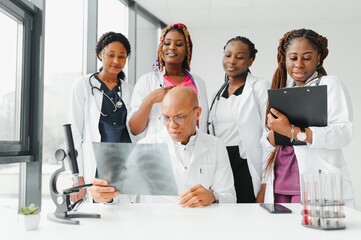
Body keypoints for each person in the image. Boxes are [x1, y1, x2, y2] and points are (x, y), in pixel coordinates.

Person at [90, 86, 236, 206]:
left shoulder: (216, 146)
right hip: (157, 228)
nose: (172, 125)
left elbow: (230, 197)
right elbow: (125, 198)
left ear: (197, 113)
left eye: (179, 117)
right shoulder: (146, 146)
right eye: (166, 117)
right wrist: (107, 196)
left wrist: (213, 196)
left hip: (200, 227)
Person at [259, 28, 355, 207]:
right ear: (284, 58)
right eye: (293, 58)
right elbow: (266, 141)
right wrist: (272, 134)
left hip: (315, 178)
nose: (299, 64)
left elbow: (343, 132)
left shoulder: (329, 83)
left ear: (318, 58)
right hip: (281, 176)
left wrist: (291, 131)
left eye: (307, 57)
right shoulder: (281, 88)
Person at [69, 31, 134, 202]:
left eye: (122, 56)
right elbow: (75, 132)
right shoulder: (83, 85)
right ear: (100, 54)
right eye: (111, 55)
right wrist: (78, 176)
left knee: (125, 218)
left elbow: (133, 130)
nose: (116, 61)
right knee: (97, 218)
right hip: (95, 164)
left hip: (122, 164)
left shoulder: (129, 90)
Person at [208, 36, 270, 203]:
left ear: (250, 61)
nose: (232, 61)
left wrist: (265, 184)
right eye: (228, 55)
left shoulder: (260, 88)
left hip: (246, 163)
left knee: (247, 217)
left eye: (239, 57)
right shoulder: (216, 95)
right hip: (221, 162)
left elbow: (270, 135)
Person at [128, 23, 208, 141]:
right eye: (167, 43)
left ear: (187, 50)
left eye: (179, 44)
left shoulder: (198, 83)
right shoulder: (146, 81)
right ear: (161, 47)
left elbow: (202, 123)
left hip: (193, 149)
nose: (172, 47)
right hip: (160, 150)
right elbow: (134, 129)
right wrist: (149, 100)